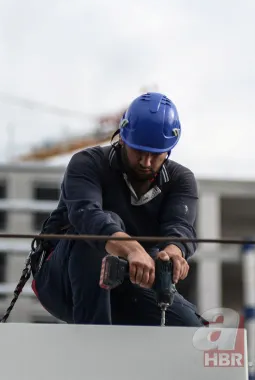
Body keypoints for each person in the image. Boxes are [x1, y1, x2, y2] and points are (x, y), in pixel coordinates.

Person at [30, 92, 204, 327]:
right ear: (122, 138)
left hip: (127, 283)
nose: (146, 163)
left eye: (155, 156)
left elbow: (180, 227)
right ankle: (94, 343)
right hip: (63, 282)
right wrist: (131, 248)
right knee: (98, 230)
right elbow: (87, 216)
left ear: (169, 151)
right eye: (138, 152)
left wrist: (174, 251)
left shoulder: (181, 180)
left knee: (190, 327)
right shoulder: (87, 163)